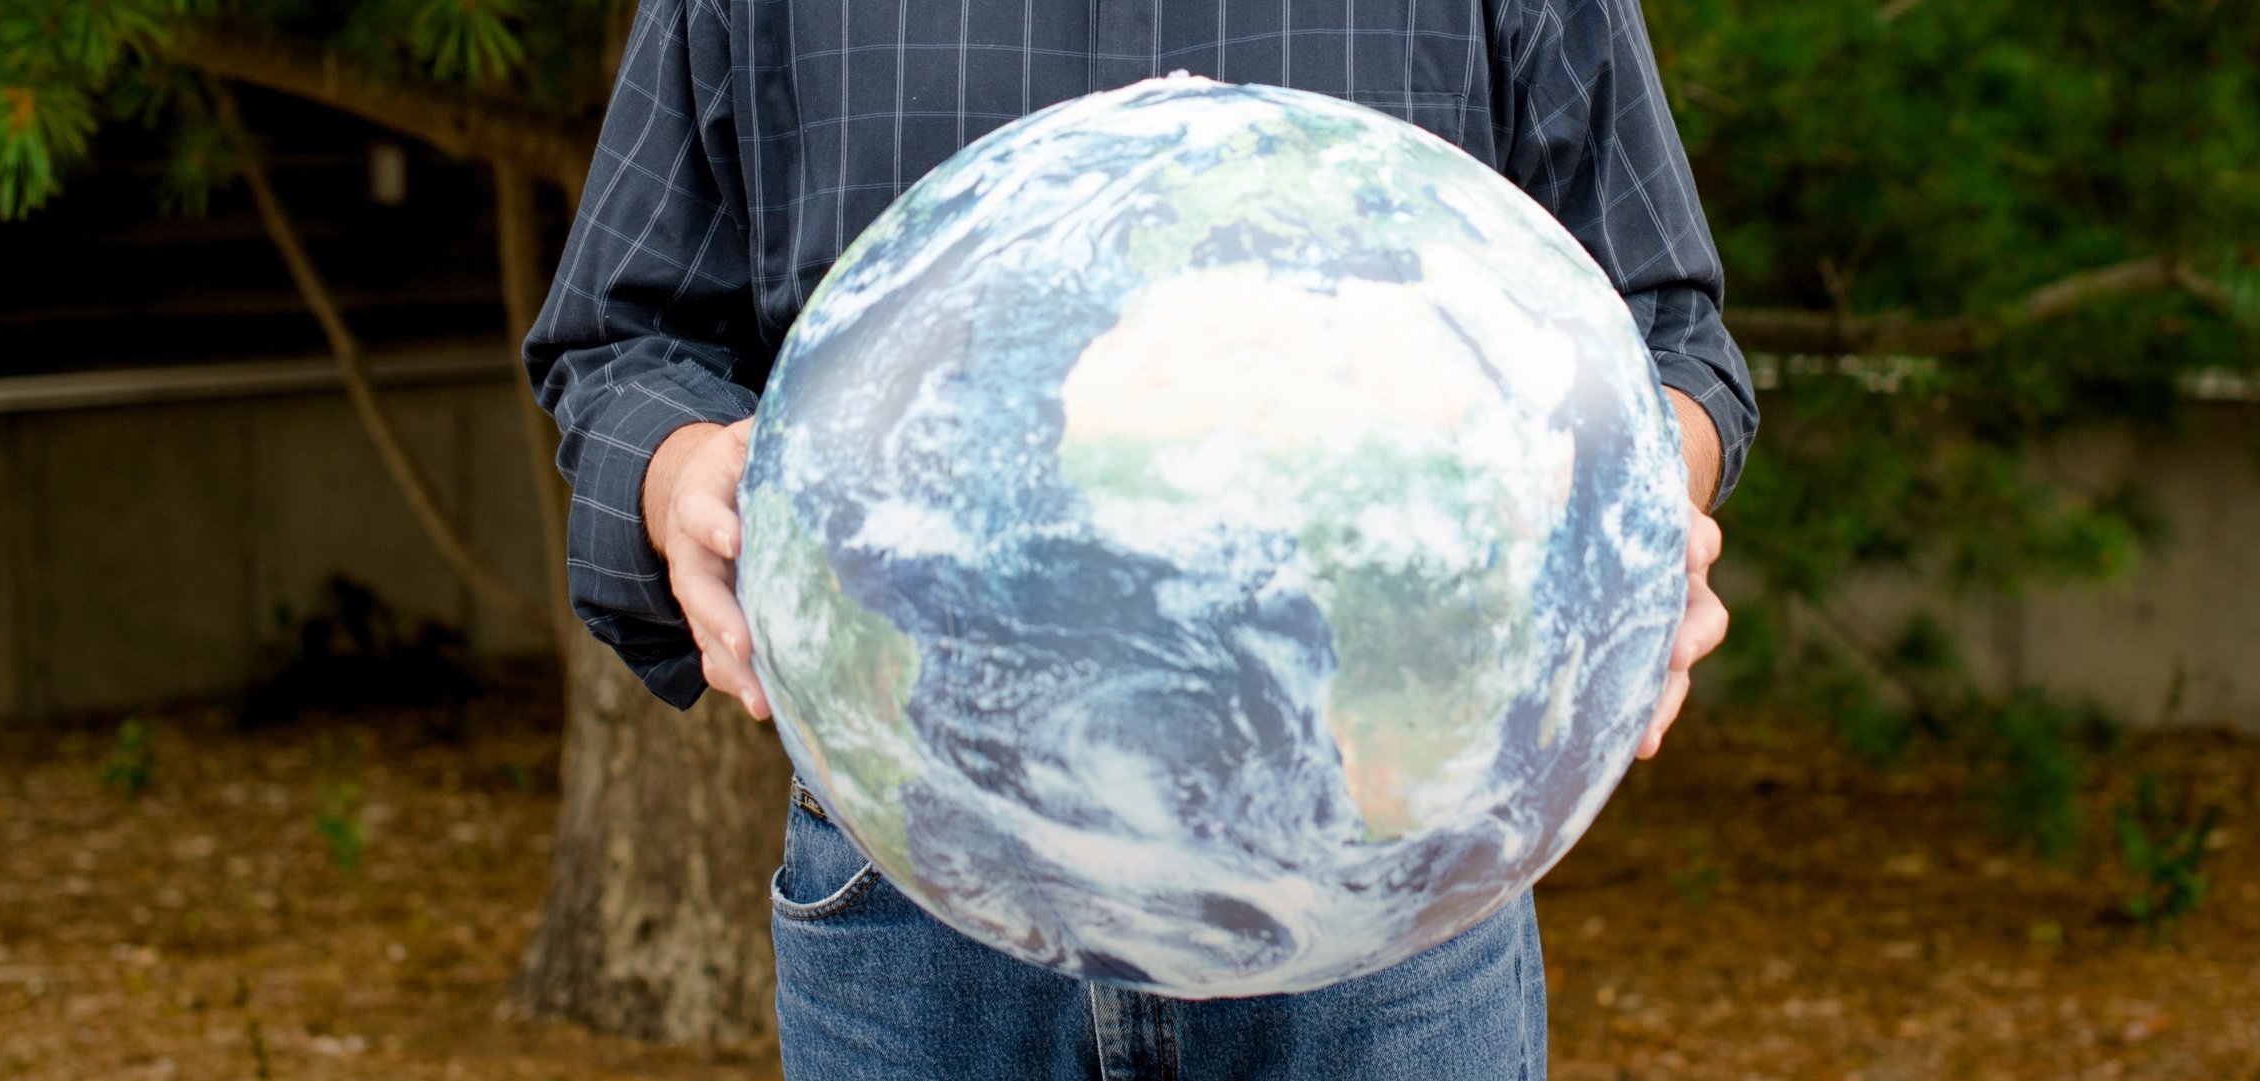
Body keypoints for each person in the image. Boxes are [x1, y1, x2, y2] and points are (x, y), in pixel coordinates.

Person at [526, 0, 1756, 1075]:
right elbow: (622, 341)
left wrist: (1645, 506)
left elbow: (1667, 339)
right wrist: (675, 466)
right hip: (919, 886)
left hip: (1391, 882)